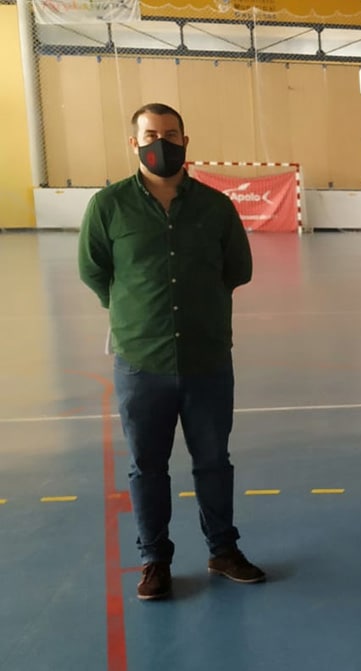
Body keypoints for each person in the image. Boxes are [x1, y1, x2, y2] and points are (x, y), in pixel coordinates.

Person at [78, 103, 265, 601]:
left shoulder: (215, 207)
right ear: (133, 143)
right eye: (150, 134)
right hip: (141, 363)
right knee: (147, 466)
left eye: (170, 134)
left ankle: (223, 549)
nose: (161, 142)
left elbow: (237, 270)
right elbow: (95, 271)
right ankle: (154, 560)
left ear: (186, 141)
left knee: (213, 461)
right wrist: (130, 313)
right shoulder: (108, 206)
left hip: (207, 359)